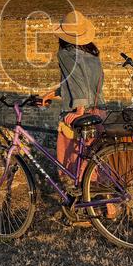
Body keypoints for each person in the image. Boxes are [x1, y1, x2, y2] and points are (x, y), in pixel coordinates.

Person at [38, 10, 106, 178]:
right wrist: (53, 93)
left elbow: (77, 81)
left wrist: (79, 110)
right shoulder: (93, 55)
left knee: (73, 166)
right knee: (94, 166)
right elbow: (88, 84)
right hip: (98, 113)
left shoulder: (65, 54)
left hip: (82, 116)